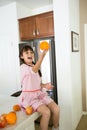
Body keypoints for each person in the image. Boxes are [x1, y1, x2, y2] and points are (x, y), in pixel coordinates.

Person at [18, 45, 60, 130]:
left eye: (31, 52)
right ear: (22, 56)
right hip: (30, 97)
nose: (30, 54)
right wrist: (42, 56)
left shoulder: (34, 66)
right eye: (27, 53)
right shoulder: (23, 67)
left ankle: (56, 128)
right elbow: (33, 71)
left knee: (56, 109)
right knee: (47, 112)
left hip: (39, 94)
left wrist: (45, 85)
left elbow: (37, 84)